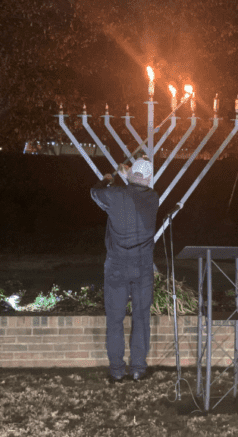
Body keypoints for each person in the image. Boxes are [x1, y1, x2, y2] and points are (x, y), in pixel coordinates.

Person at [90, 158, 159, 383]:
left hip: (118, 265)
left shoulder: (115, 195)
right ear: (149, 178)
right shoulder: (153, 198)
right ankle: (138, 368)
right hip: (143, 266)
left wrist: (108, 179)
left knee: (115, 320)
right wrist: (128, 174)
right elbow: (137, 186)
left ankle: (117, 370)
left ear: (130, 177)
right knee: (141, 318)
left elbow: (95, 193)